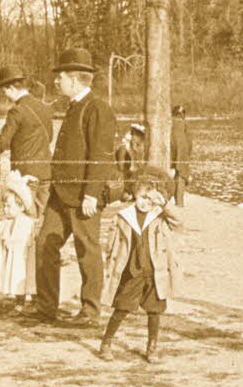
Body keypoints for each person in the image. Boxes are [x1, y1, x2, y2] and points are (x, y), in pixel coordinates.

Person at [22, 47, 115, 327]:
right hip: (60, 195)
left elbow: (101, 155)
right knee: (44, 245)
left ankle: (90, 311)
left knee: (87, 250)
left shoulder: (97, 108)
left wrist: (91, 193)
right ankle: (46, 307)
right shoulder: (74, 106)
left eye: (60, 77)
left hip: (82, 197)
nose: (56, 81)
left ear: (75, 80)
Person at [98, 165, 181, 363]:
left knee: (155, 311)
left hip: (154, 272)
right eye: (142, 197)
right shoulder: (124, 216)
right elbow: (112, 244)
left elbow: (179, 223)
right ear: (135, 195)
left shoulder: (160, 216)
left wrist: (165, 205)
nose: (146, 203)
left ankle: (152, 347)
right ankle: (106, 342)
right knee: (122, 308)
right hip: (132, 271)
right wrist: (111, 259)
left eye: (150, 199)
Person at [0, 168, 39, 309]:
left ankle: (28, 300)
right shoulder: (5, 222)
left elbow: (27, 238)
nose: (5, 209)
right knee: (13, 276)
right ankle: (17, 300)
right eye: (4, 206)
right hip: (12, 255)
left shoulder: (26, 222)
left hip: (22, 256)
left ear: (21, 206)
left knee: (24, 276)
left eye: (9, 206)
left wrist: (14, 242)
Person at [0, 64, 53, 218]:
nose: (5, 95)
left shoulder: (17, 110)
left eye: (4, 91)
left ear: (10, 88)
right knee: (37, 221)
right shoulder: (45, 108)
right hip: (46, 173)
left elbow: (3, 142)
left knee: (23, 221)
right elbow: (50, 136)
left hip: (25, 176)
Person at [112, 122, 145, 201]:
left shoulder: (135, 148)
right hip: (124, 174)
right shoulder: (123, 147)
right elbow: (121, 166)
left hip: (130, 173)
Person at [170, 105, 191, 205]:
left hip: (171, 150)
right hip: (182, 151)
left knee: (176, 174)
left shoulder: (169, 123)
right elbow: (189, 142)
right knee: (181, 175)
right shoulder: (184, 124)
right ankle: (179, 202)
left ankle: (175, 199)